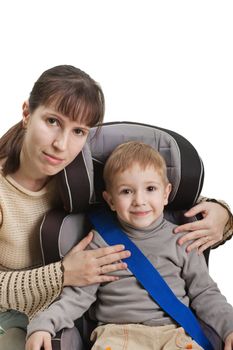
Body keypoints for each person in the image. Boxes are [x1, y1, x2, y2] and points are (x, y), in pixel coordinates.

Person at [26, 141, 233, 350]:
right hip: (117, 335)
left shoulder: (182, 239)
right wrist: (45, 324)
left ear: (166, 193)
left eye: (150, 188)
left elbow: (205, 294)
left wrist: (230, 328)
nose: (139, 201)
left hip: (173, 334)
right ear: (110, 200)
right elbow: (78, 296)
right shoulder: (98, 242)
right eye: (126, 191)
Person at [0, 65, 132, 349]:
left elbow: (154, 193)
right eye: (52, 121)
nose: (61, 144)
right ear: (26, 114)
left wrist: (219, 213)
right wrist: (62, 274)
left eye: (78, 131)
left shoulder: (82, 176)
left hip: (76, 315)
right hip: (10, 321)